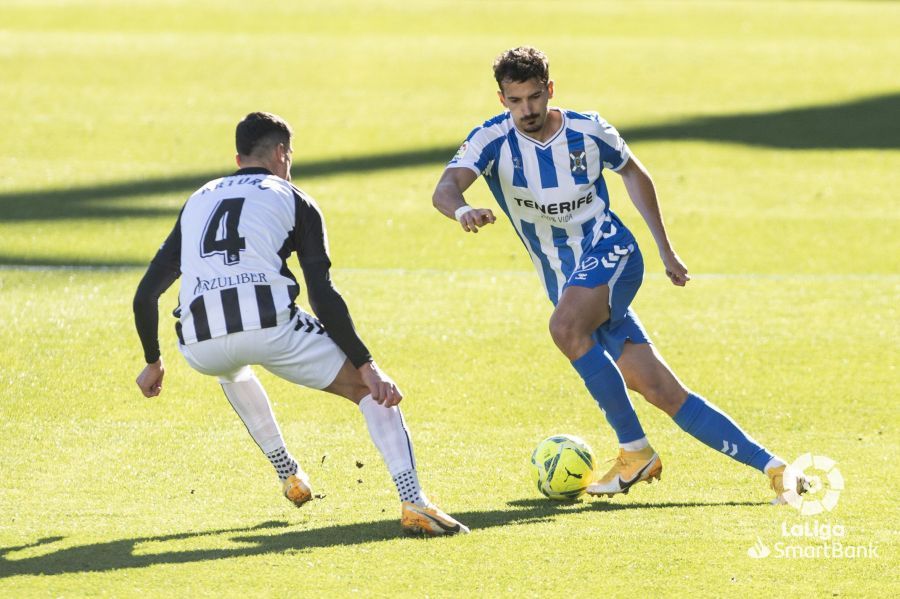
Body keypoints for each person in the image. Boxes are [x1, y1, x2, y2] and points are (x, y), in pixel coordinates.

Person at [432, 47, 806, 503]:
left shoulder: (589, 129)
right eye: (516, 101)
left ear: (550, 90)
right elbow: (445, 189)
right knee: (659, 389)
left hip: (613, 252)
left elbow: (634, 173)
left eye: (534, 97)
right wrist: (463, 209)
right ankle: (775, 468)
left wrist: (665, 249)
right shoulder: (490, 140)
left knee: (566, 327)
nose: (527, 110)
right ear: (501, 99)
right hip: (569, 282)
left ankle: (634, 450)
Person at [133, 111, 468, 535]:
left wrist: (153, 360)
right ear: (280, 153)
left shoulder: (199, 198)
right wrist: (366, 364)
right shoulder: (295, 198)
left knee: (231, 363)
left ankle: (288, 473)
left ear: (239, 160)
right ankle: (413, 500)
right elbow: (322, 295)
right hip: (273, 330)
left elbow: (146, 293)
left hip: (200, 344)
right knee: (369, 391)